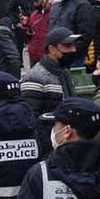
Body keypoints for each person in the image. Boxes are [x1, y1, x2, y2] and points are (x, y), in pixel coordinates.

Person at [22, 26, 79, 159]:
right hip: (48, 149)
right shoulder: (35, 77)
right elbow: (30, 117)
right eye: (67, 46)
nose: (73, 50)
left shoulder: (64, 72)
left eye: (73, 46)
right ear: (52, 49)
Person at [22, 0, 52, 66]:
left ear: (45, 0)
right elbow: (28, 36)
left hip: (47, 55)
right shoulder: (34, 15)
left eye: (36, 0)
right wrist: (25, 25)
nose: (34, 3)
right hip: (34, 54)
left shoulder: (53, 13)